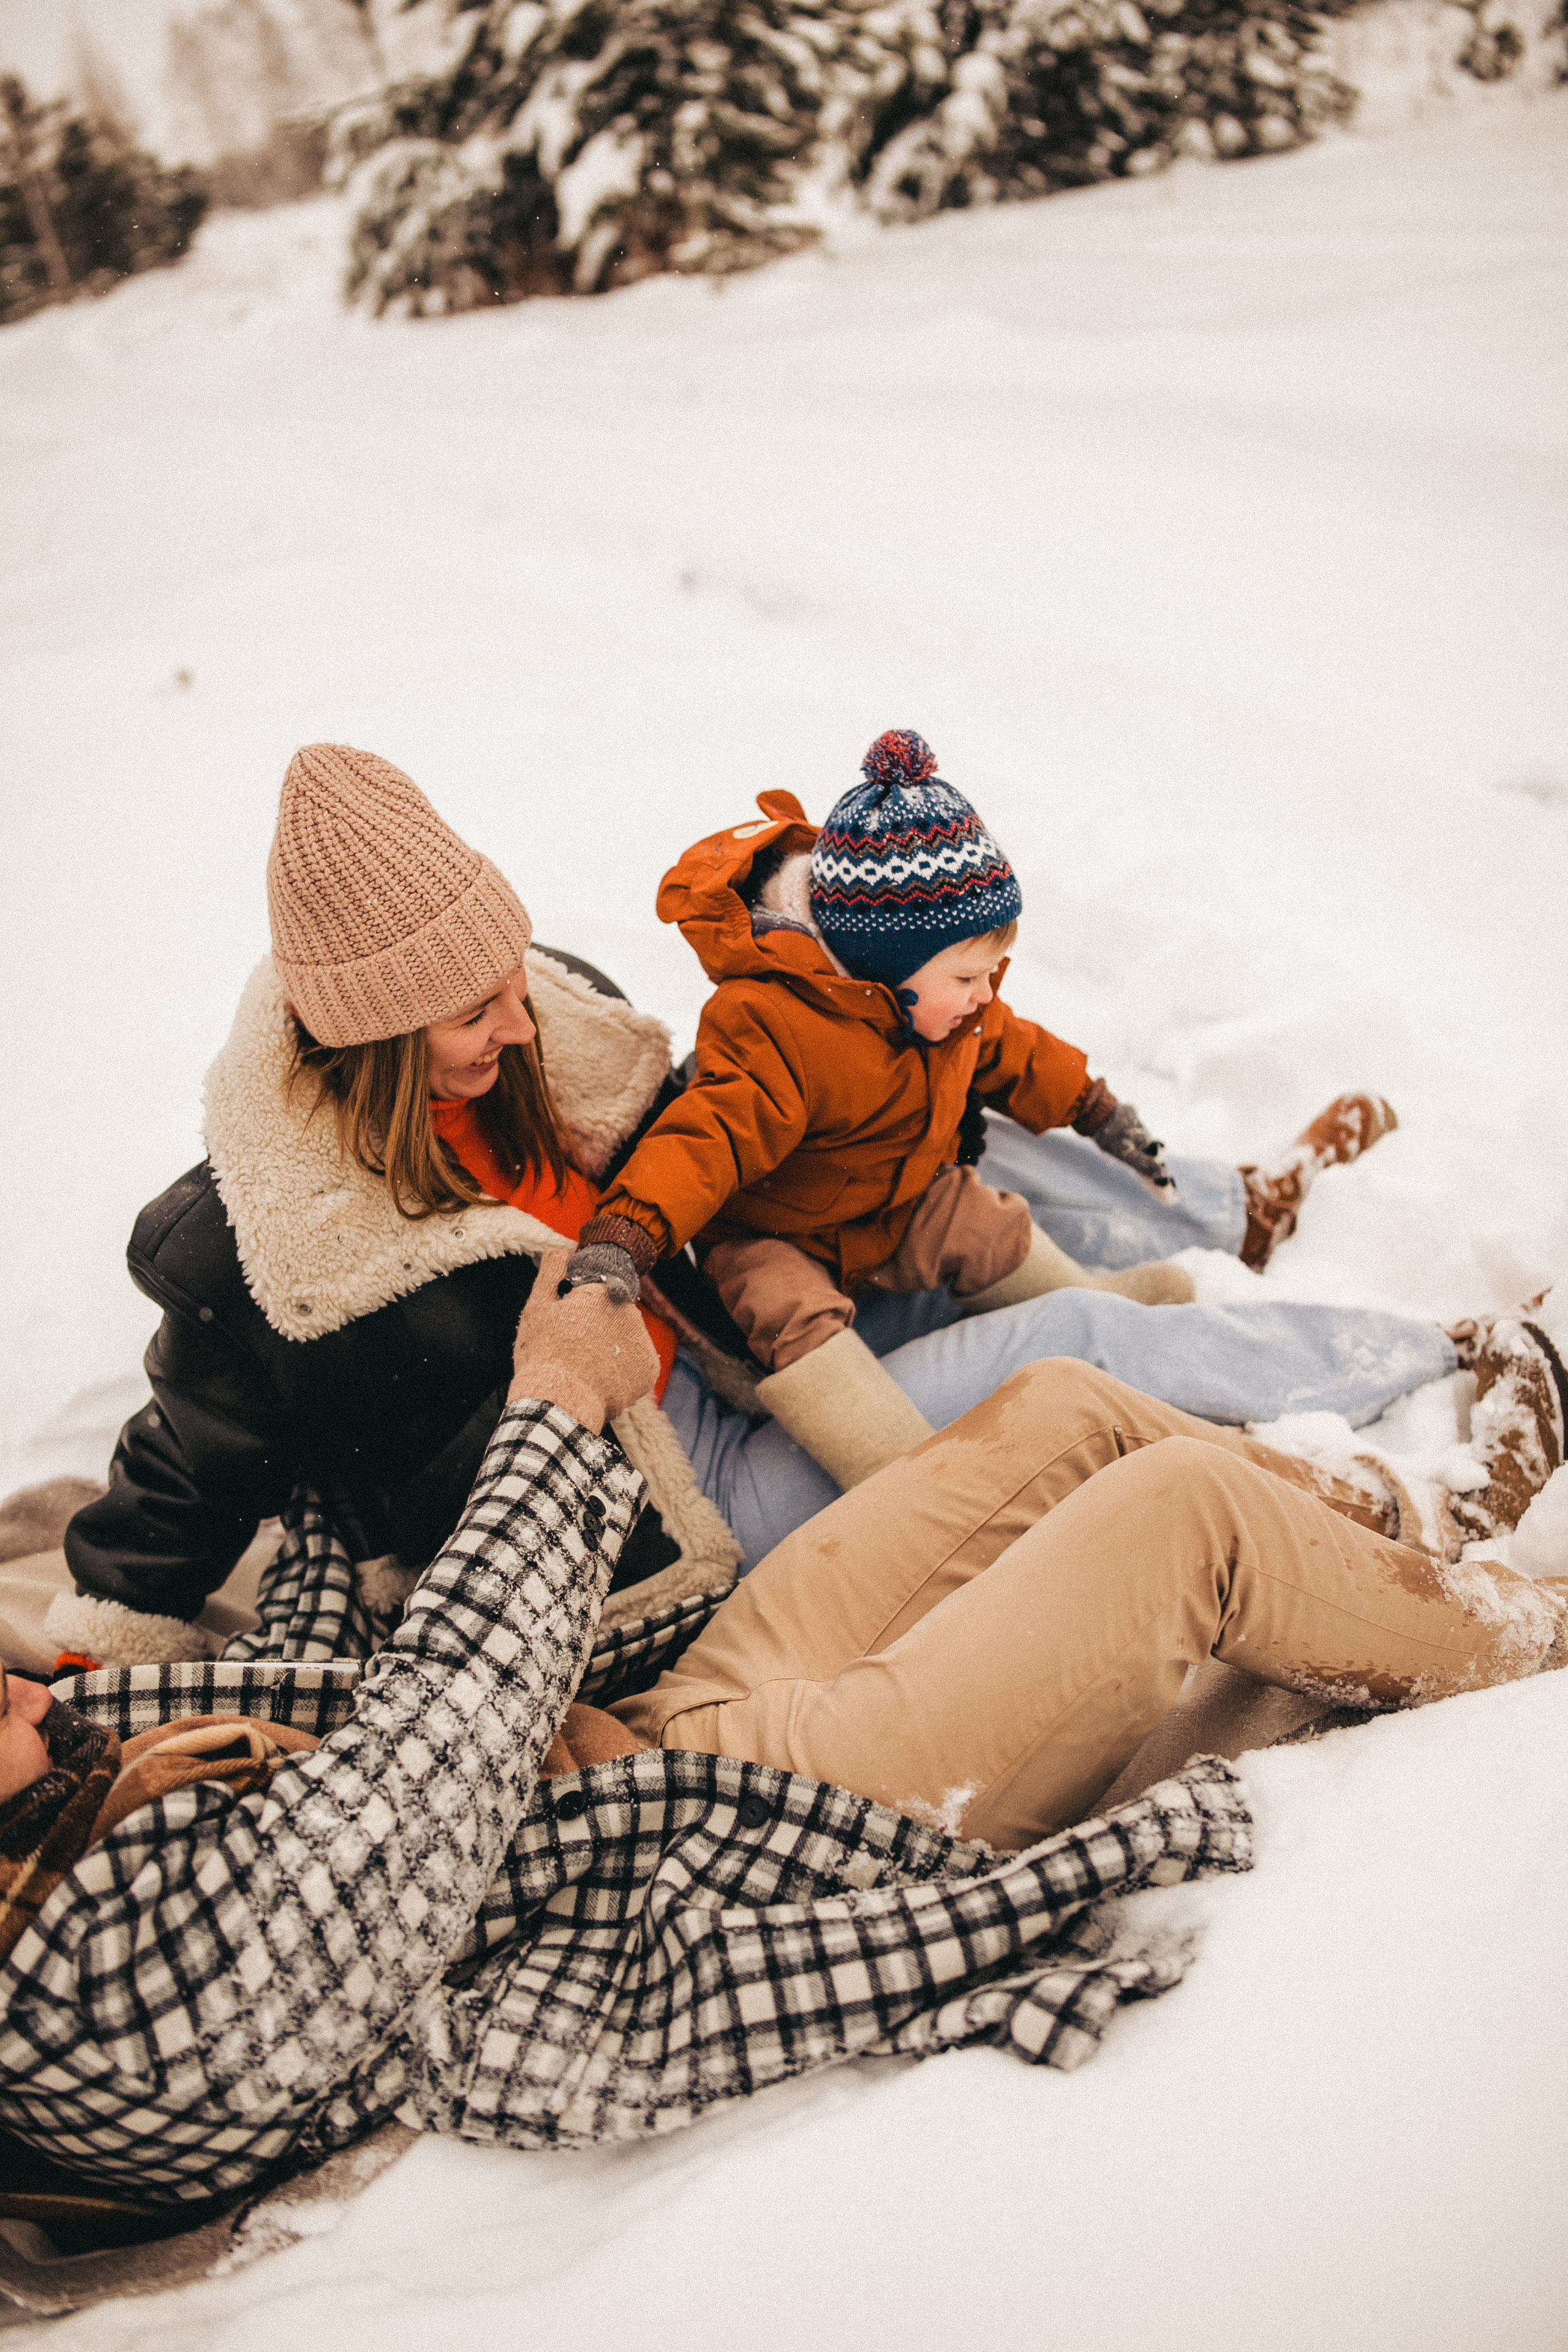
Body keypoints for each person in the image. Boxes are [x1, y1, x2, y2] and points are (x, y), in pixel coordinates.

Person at [0, 1262, 1561, 2209]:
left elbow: (314, 1698)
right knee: (1177, 1514)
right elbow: (440, 1746)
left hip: (659, 1740)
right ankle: (1523, 1636)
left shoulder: (58, 1780)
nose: (17, 1690)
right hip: (733, 1854)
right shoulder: (100, 1998)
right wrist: (550, 1405)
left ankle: (1415, 1532)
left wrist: (317, 1465)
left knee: (1060, 1405)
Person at [32, 744, 1455, 1674]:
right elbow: (183, 1466)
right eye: (470, 1015)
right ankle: (1437, 1361)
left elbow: (731, 1118)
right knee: (1059, 1345)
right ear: (372, 1039)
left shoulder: (547, 1014)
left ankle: (1224, 1210)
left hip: (743, 1321)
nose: (516, 1026)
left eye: (513, 982)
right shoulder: (272, 1245)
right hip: (674, 1493)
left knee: (937, 1121)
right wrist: (85, 1670)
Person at [576, 726, 1221, 1490]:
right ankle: (895, 1473)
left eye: (992, 972)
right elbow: (705, 1138)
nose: (987, 995)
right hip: (775, 1228)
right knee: (790, 1311)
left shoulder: (948, 1008)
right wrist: (628, 1232)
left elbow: (1014, 1048)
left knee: (980, 1219)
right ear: (887, 966)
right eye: (969, 975)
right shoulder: (774, 1025)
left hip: (893, 1197)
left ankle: (1084, 1304)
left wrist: (1096, 1108)